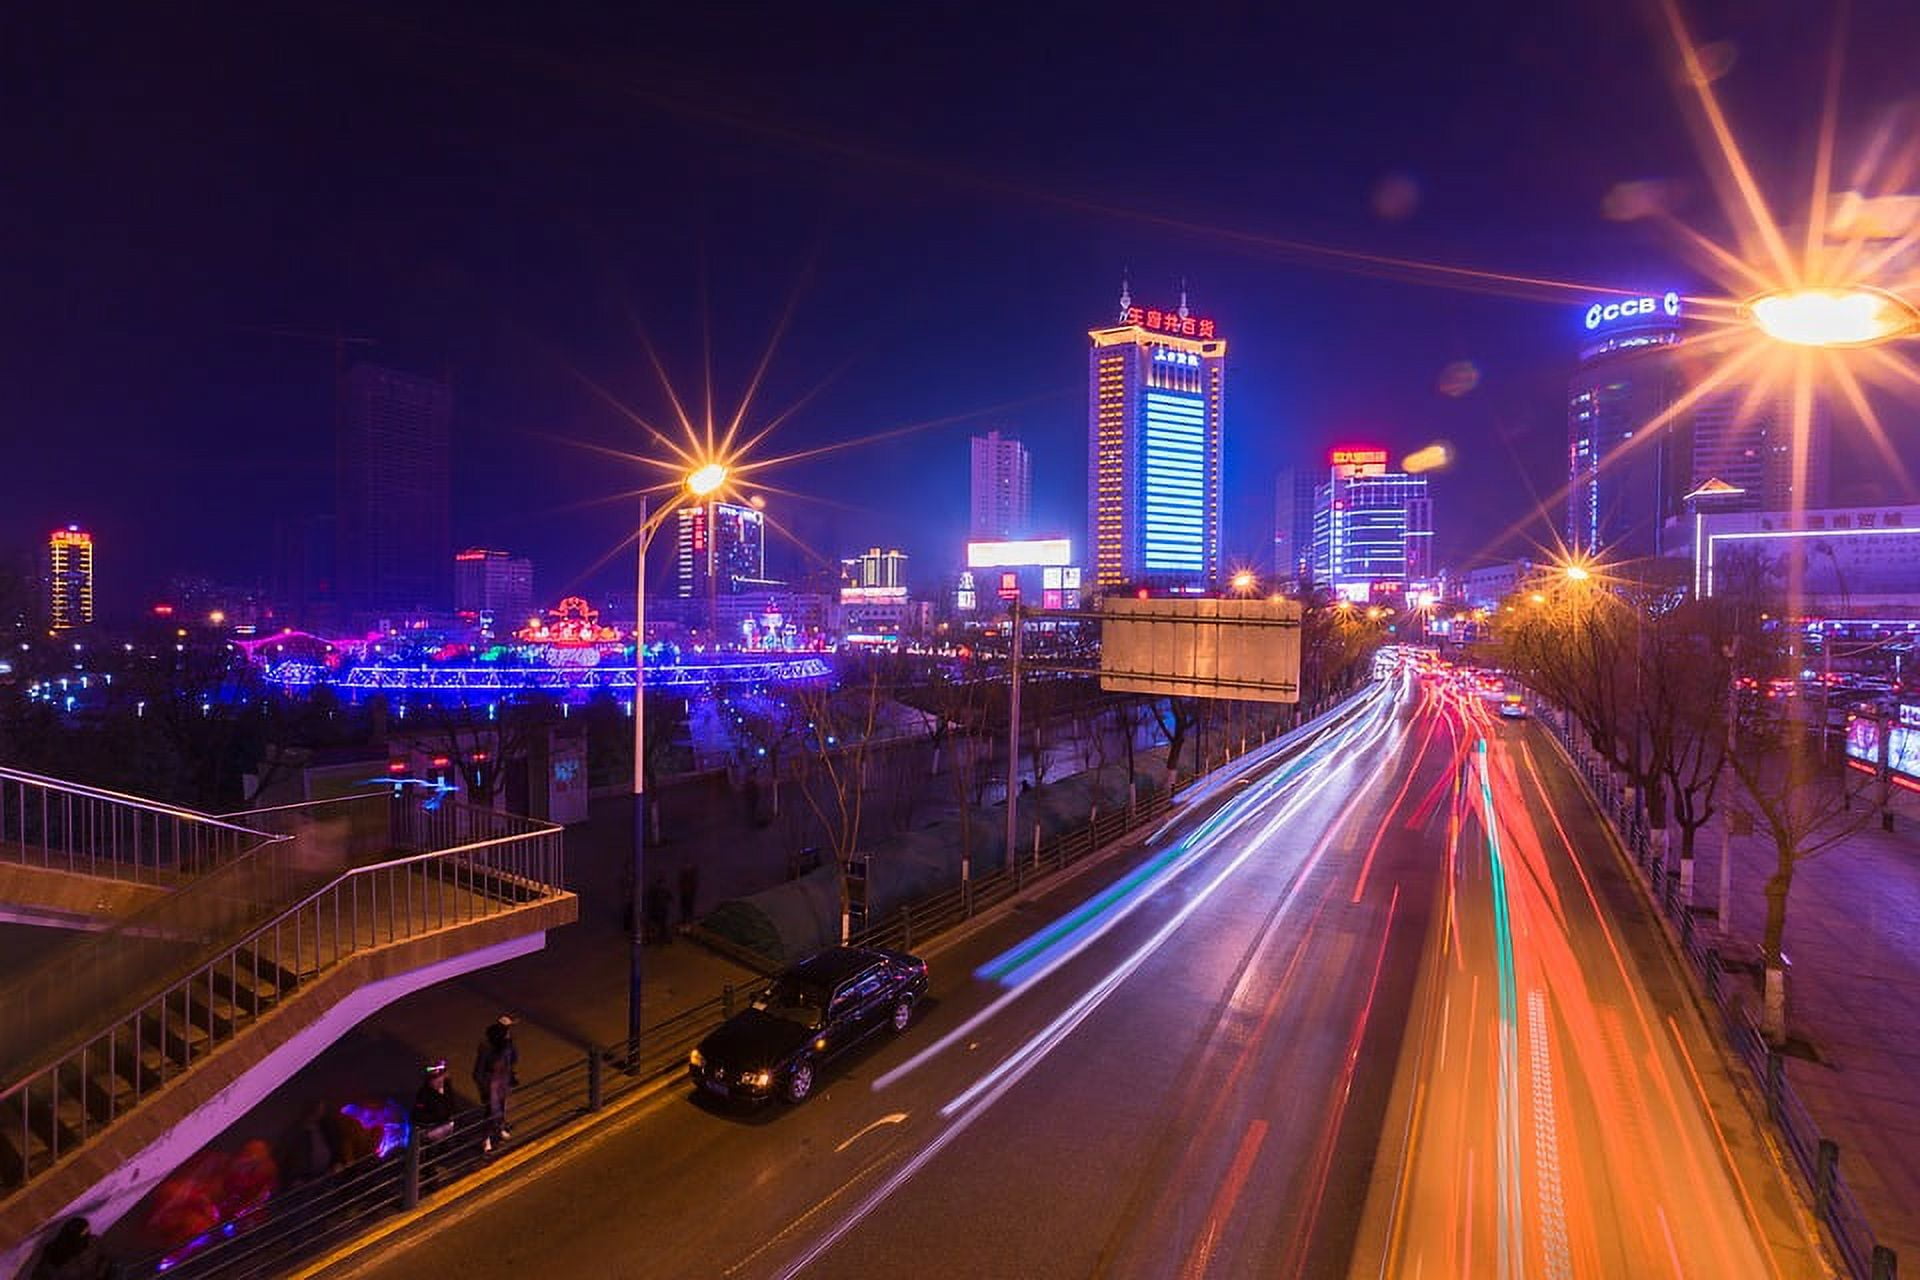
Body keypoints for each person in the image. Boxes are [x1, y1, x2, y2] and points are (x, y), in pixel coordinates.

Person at [471, 1016, 519, 1153]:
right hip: (491, 1083)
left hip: (502, 1080)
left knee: (502, 1107)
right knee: (491, 1112)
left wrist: (510, 1044)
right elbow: (478, 1072)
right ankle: (485, 1138)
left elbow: (514, 1058)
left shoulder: (507, 1044)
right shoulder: (487, 1048)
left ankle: (500, 1128)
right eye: (508, 1029)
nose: (510, 1032)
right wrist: (485, 1090)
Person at [32, 1217, 112, 1280]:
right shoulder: (53, 1252)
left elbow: (105, 1257)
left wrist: (99, 1275)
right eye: (86, 1232)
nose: (89, 1233)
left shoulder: (93, 1242)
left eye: (88, 1230)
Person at [411, 1060, 457, 1144]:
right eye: (435, 1078)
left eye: (441, 1077)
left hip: (446, 1126)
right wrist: (437, 1118)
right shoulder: (424, 1094)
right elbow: (417, 1116)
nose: (439, 1081)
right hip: (431, 1129)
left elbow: (452, 1106)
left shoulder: (447, 1089)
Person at [644, 873, 673, 945]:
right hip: (657, 911)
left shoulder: (663, 890)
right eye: (662, 883)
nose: (662, 885)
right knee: (658, 926)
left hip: (661, 911)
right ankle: (657, 938)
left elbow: (670, 898)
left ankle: (663, 938)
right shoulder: (656, 890)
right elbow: (651, 901)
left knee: (663, 926)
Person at [677, 861, 700, 926]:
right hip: (686, 895)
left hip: (688, 895)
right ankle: (686, 921)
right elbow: (681, 885)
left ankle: (688, 921)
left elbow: (694, 886)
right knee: (686, 909)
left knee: (688, 909)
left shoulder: (691, 878)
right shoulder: (686, 878)